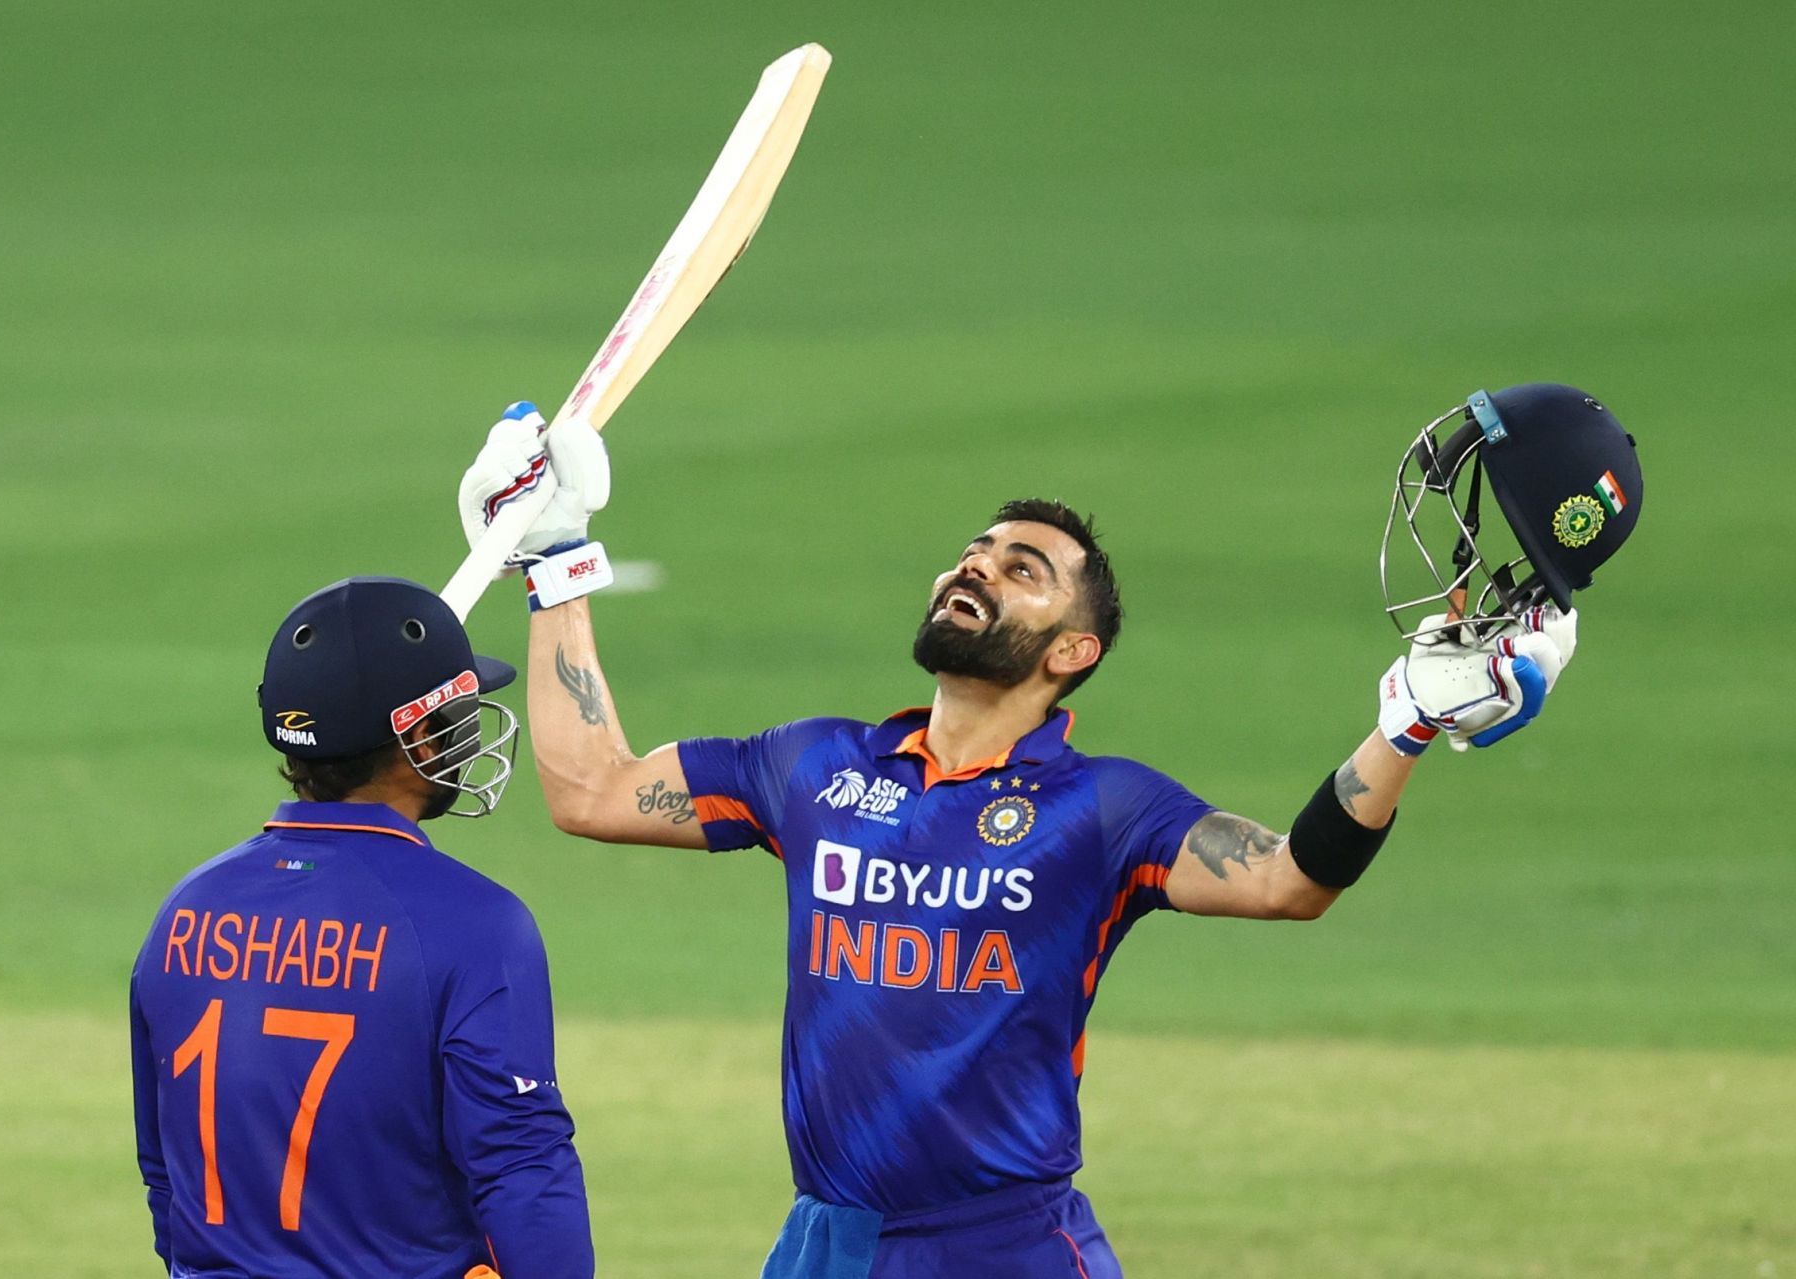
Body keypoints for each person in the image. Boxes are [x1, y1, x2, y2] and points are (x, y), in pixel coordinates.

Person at [456, 384, 1640, 1278]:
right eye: (975, 551)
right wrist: (555, 562)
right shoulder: (815, 767)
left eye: (1022, 569)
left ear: (1073, 651)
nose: (977, 567)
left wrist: (1406, 727)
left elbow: (1289, 880)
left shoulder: (1103, 812)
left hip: (1000, 1247)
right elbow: (591, 789)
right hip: (826, 1244)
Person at [129, 576, 594, 1279]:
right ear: (417, 735)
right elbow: (521, 1168)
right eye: (463, 708)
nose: (474, 724)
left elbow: (166, 1176)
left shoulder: (184, 911)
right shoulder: (476, 924)